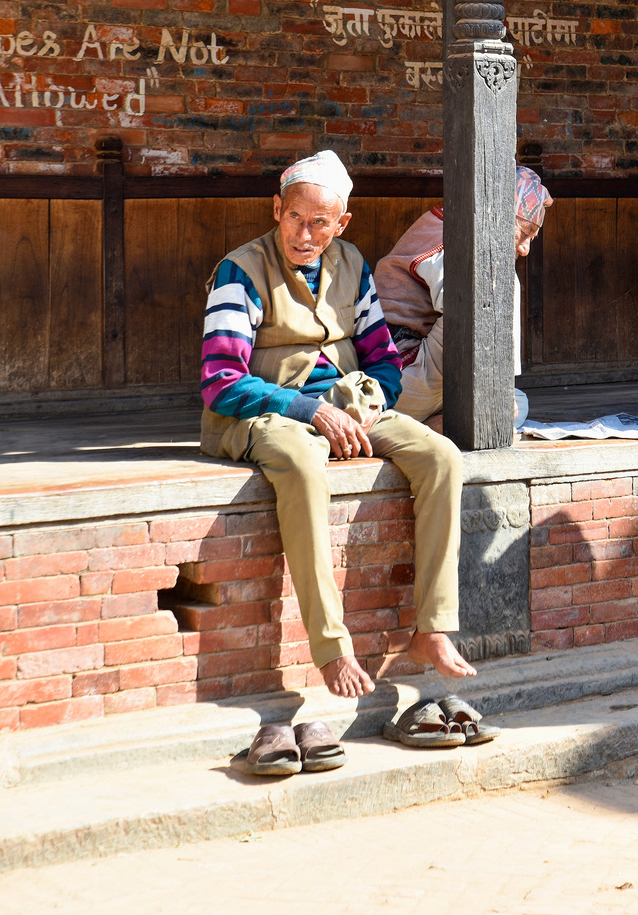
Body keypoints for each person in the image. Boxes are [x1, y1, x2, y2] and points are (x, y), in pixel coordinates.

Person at [199, 150, 474, 698]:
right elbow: (221, 380)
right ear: (277, 209)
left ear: (340, 223)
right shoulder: (241, 270)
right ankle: (330, 648)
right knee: (303, 461)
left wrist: (368, 405)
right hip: (262, 411)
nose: (304, 233)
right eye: (295, 217)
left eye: (319, 222)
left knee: (441, 456)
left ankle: (433, 628)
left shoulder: (352, 264)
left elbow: (384, 360)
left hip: (341, 405)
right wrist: (308, 411)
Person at [374, 167, 552, 430]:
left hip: (414, 382)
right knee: (493, 281)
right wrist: (499, 386)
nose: (525, 249)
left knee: (518, 402)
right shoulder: (456, 239)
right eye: (524, 234)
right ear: (500, 216)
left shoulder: (445, 223)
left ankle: (436, 426)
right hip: (397, 376)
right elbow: (475, 317)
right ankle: (452, 424)